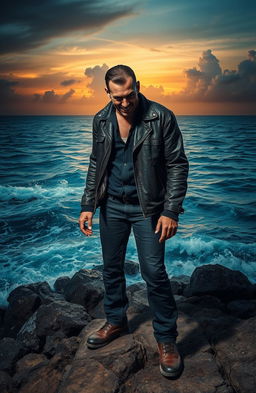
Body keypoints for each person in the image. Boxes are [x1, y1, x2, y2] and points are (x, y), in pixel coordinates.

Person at [79, 65, 189, 378]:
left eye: (129, 95)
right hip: (111, 207)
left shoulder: (160, 117)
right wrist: (88, 204)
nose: (125, 103)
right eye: (118, 98)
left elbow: (178, 165)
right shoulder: (101, 120)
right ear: (107, 94)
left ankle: (166, 340)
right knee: (111, 268)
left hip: (149, 209)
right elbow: (94, 164)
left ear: (137, 86)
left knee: (154, 272)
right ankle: (115, 321)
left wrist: (171, 211)